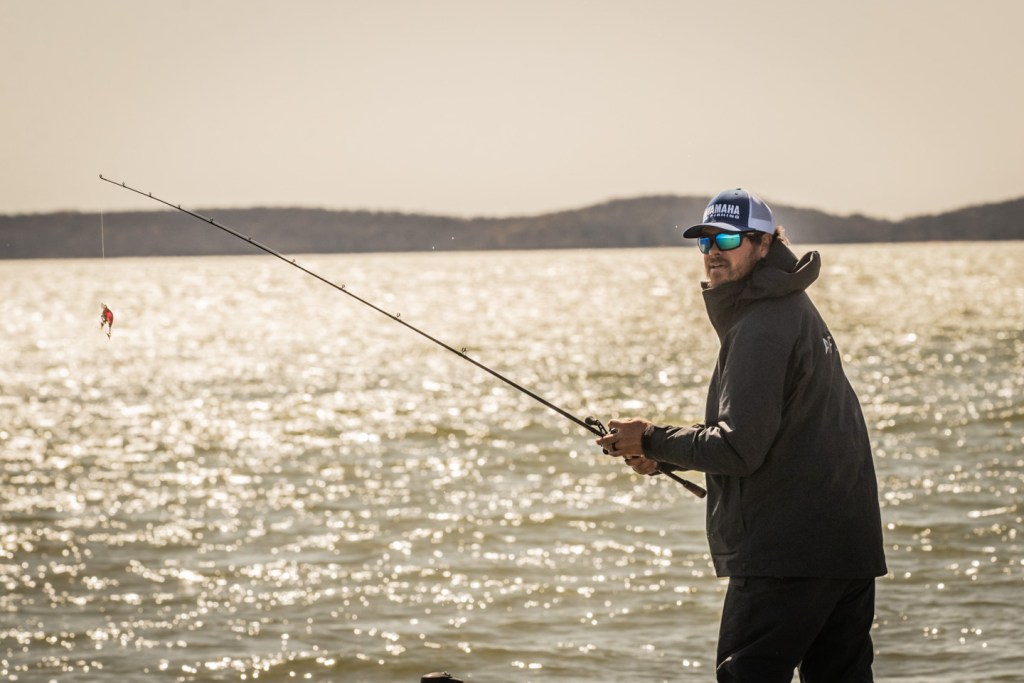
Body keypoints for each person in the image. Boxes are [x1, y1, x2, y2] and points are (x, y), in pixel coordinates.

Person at [596, 188, 887, 682]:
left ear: (765, 243)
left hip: (788, 555)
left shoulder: (762, 323)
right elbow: (776, 434)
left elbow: (738, 447)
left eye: (728, 239)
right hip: (846, 548)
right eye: (705, 240)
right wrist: (662, 455)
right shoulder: (792, 307)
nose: (714, 251)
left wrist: (650, 438)